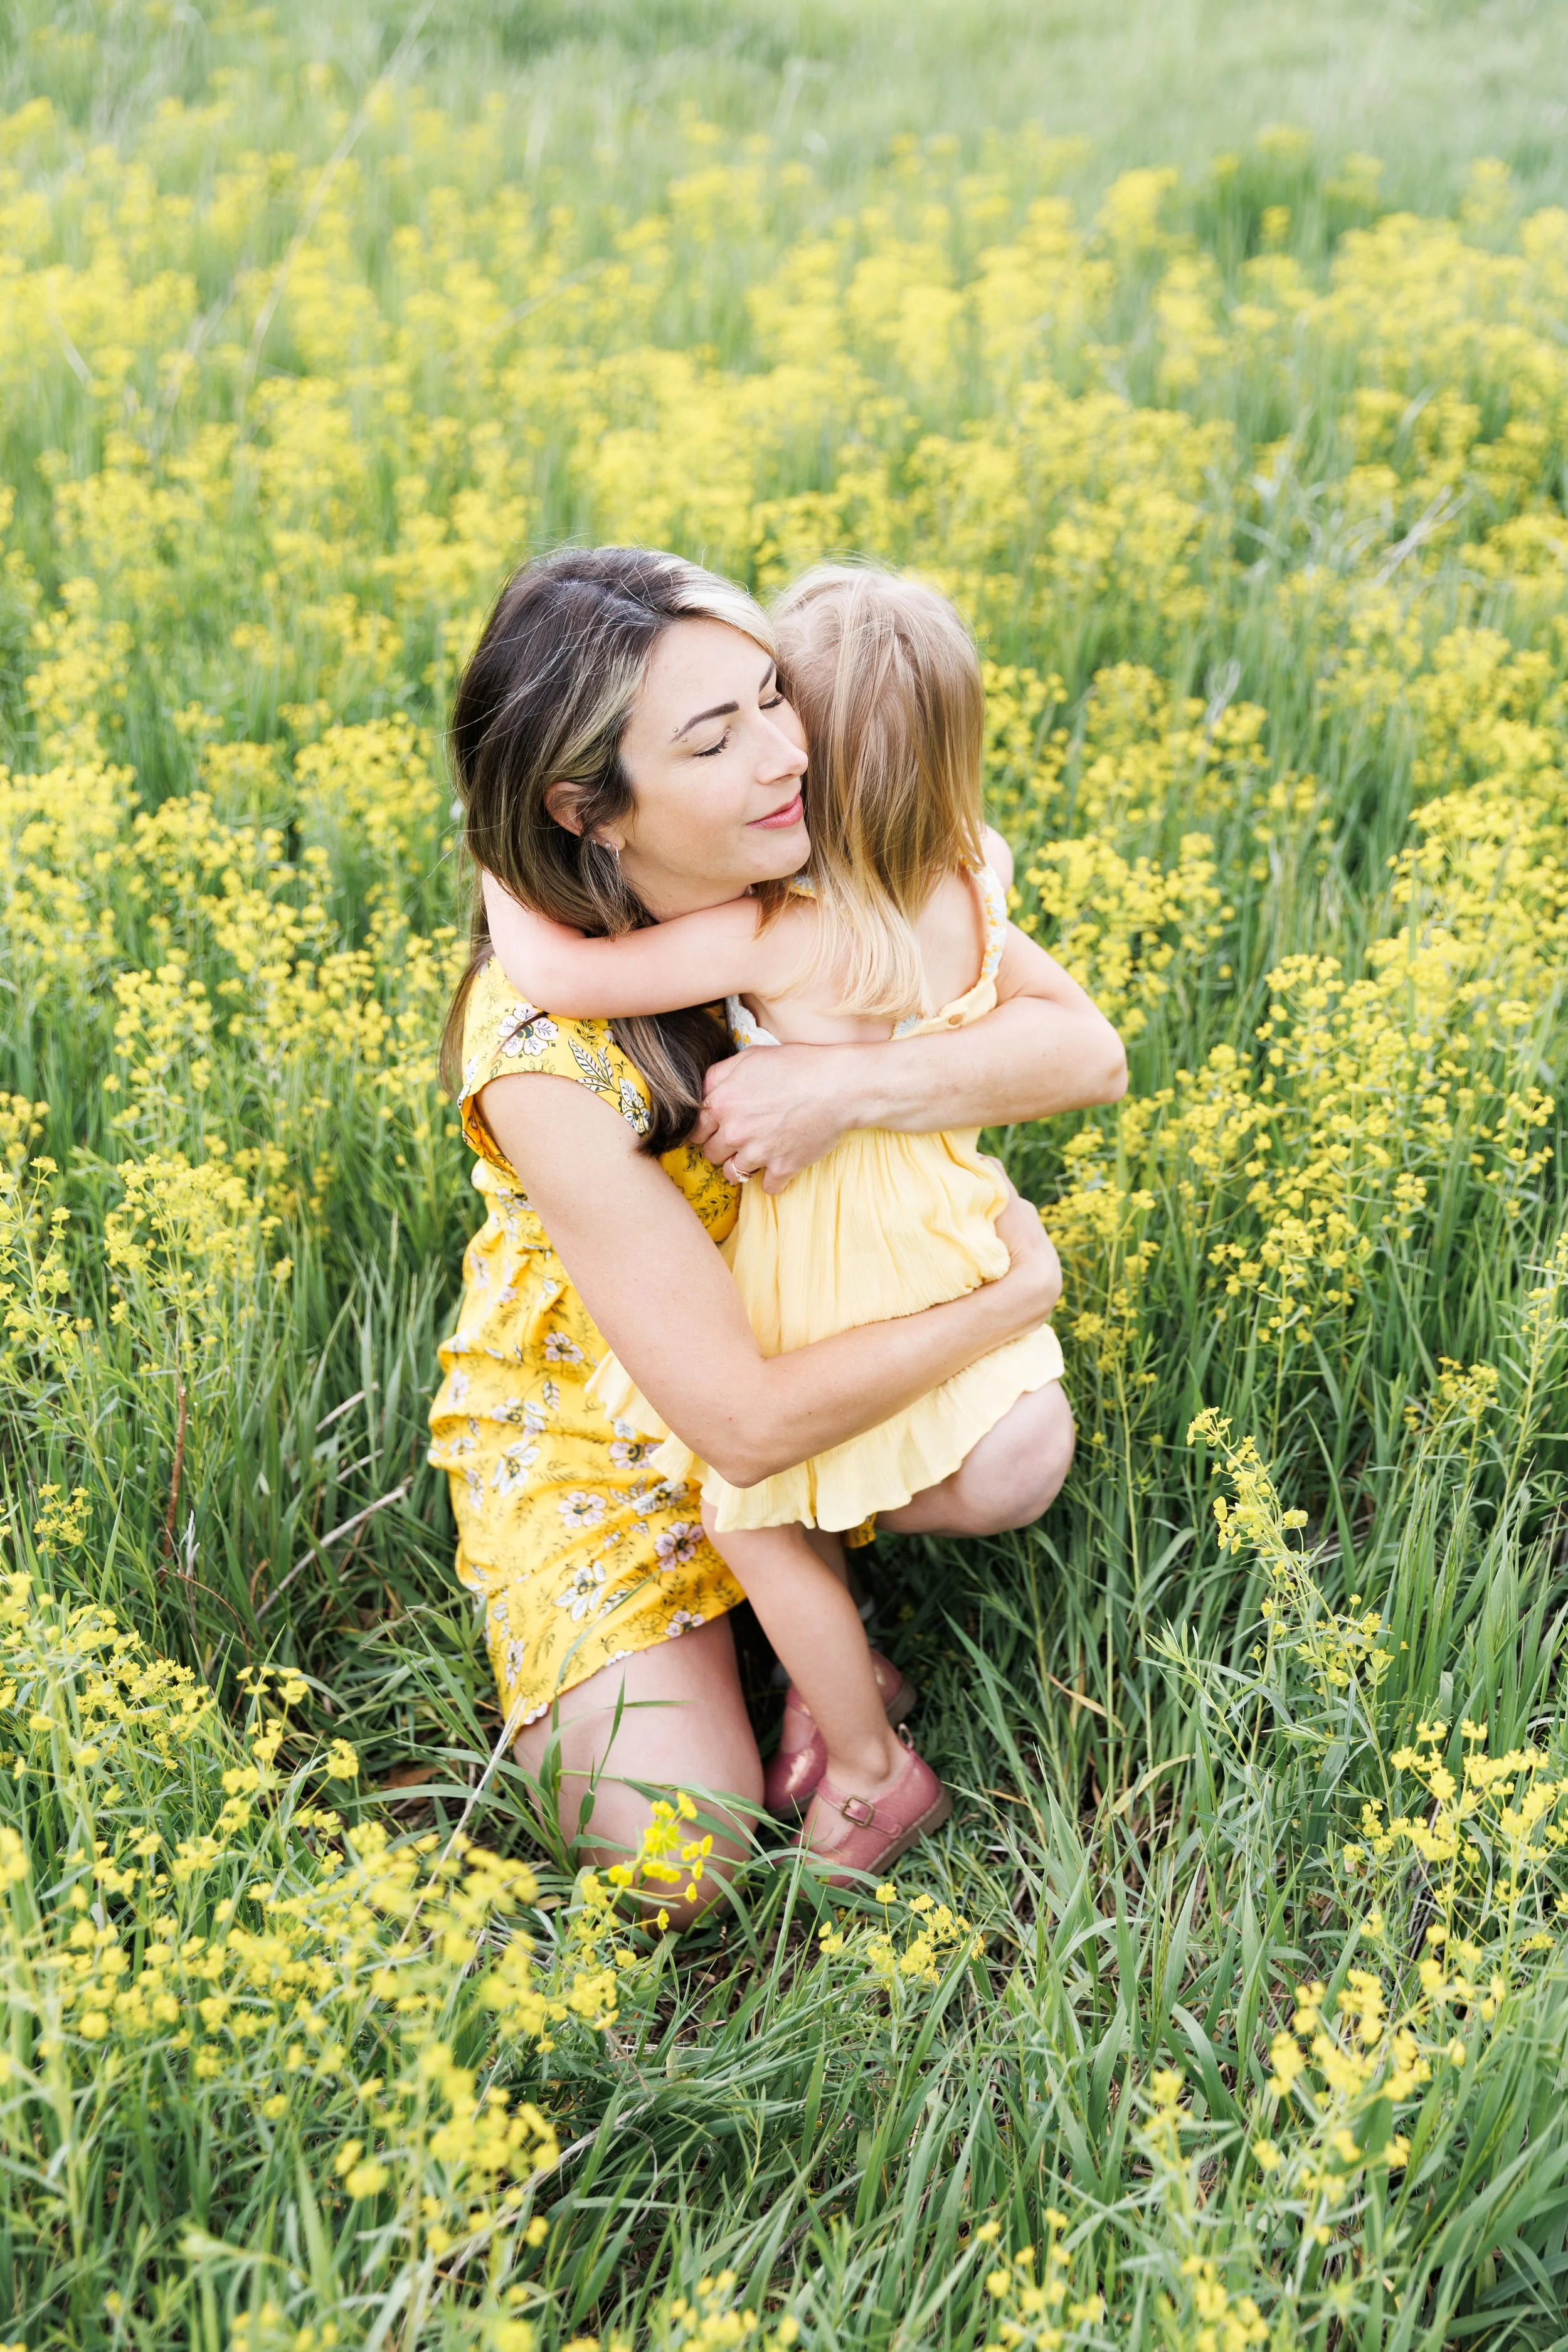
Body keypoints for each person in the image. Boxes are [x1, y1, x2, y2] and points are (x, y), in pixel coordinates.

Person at [428, 546, 1126, 1922]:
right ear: (587, 810)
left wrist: (845, 1086)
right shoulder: (543, 1050)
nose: (785, 753)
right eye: (712, 739)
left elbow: (1084, 1052)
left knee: (1014, 1454)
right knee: (683, 1866)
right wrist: (1006, 1297)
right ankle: (814, 1643)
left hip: (797, 1328)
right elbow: (738, 1430)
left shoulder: (830, 873)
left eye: (773, 697)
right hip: (608, 1424)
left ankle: (813, 1637)